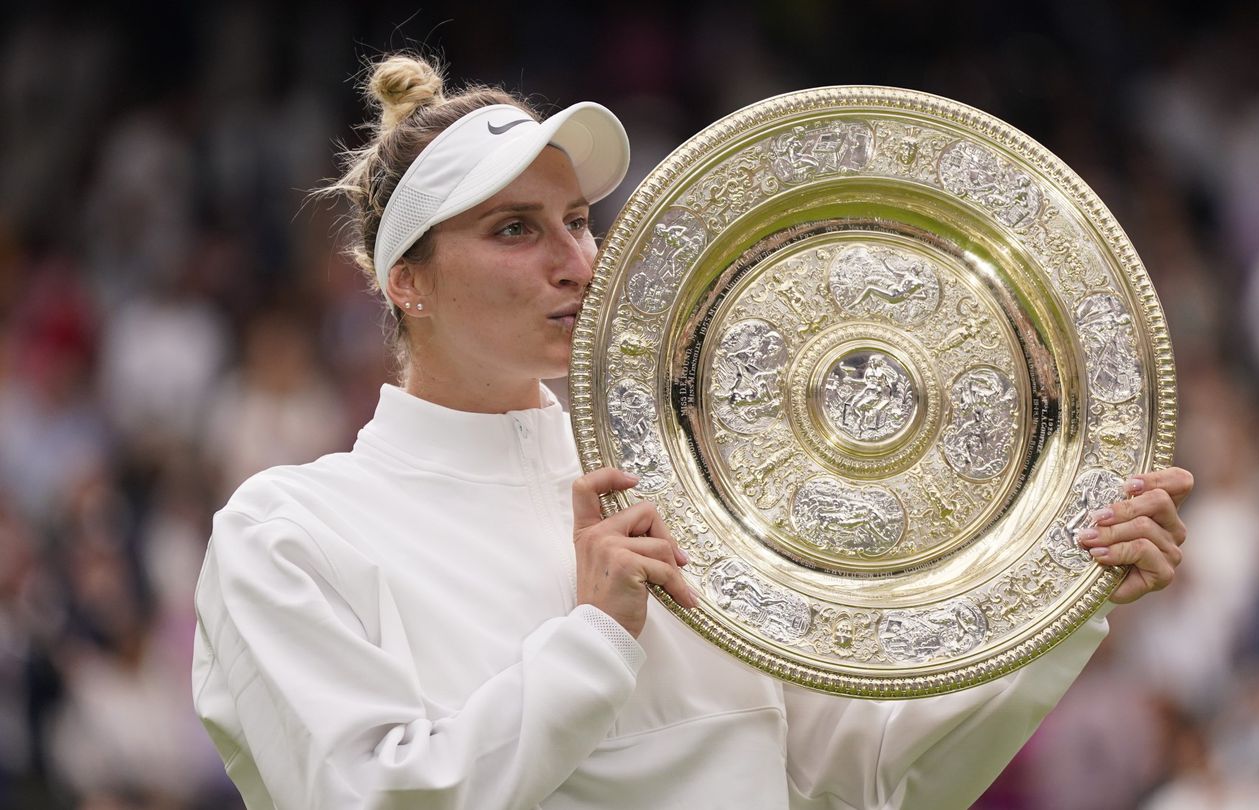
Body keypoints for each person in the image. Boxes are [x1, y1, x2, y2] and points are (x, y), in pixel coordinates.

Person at [191, 53, 1194, 809]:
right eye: (514, 229)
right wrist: (593, 637)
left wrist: (1064, 597)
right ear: (403, 282)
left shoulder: (688, 482)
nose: (576, 260)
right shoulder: (289, 532)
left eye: (577, 218)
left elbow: (863, 781)